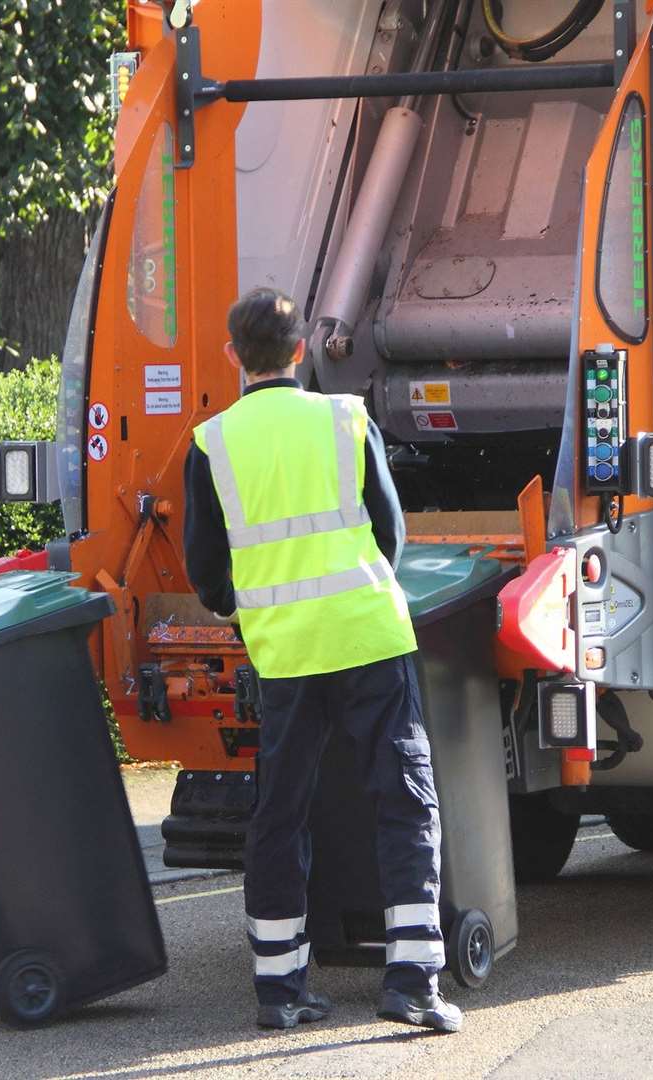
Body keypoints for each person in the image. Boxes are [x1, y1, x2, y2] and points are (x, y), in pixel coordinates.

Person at [183, 288, 461, 1034]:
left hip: (284, 653)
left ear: (232, 357)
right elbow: (389, 533)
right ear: (301, 350)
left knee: (281, 813)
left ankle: (279, 989)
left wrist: (253, 609)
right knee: (403, 801)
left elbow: (206, 573)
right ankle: (412, 982)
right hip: (368, 637)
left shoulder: (211, 442)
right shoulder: (344, 418)